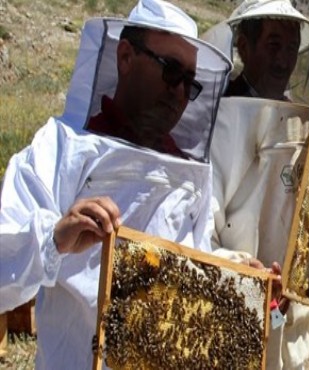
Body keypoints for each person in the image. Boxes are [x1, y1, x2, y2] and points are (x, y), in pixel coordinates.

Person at [0, 0, 232, 368]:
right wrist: (55, 238)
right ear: (125, 56)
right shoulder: (60, 147)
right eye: (171, 71)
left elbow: (195, 261)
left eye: (190, 83)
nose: (179, 92)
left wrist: (238, 274)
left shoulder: (190, 172)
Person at [203, 1, 309, 368]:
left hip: (289, 304)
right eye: (273, 45)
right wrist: (244, 272)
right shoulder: (218, 118)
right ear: (243, 46)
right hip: (230, 300)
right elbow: (199, 227)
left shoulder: (296, 118)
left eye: (290, 47)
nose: (284, 60)